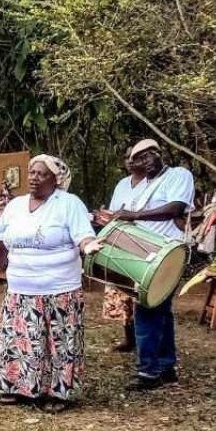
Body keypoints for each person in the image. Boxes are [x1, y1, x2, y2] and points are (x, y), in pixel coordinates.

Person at [0, 155, 101, 413]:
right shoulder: (15, 205)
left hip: (58, 290)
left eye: (41, 174)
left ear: (56, 179)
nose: (34, 178)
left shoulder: (69, 204)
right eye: (32, 172)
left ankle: (58, 393)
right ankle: (18, 387)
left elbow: (83, 235)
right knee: (21, 340)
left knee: (58, 343)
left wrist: (89, 245)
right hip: (20, 290)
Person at [95, 139, 195, 391]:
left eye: (146, 156)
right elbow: (126, 216)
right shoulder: (142, 186)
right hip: (142, 256)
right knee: (160, 312)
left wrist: (134, 215)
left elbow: (175, 208)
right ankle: (165, 367)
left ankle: (149, 371)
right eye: (137, 159)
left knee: (147, 311)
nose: (142, 162)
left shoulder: (178, 175)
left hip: (165, 254)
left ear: (157, 154)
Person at [94, 149, 148, 353]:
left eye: (135, 157)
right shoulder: (122, 184)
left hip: (144, 244)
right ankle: (129, 339)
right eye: (127, 158)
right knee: (121, 291)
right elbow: (115, 211)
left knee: (139, 294)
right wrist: (104, 217)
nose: (130, 161)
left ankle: (145, 342)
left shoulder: (153, 183)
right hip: (121, 240)